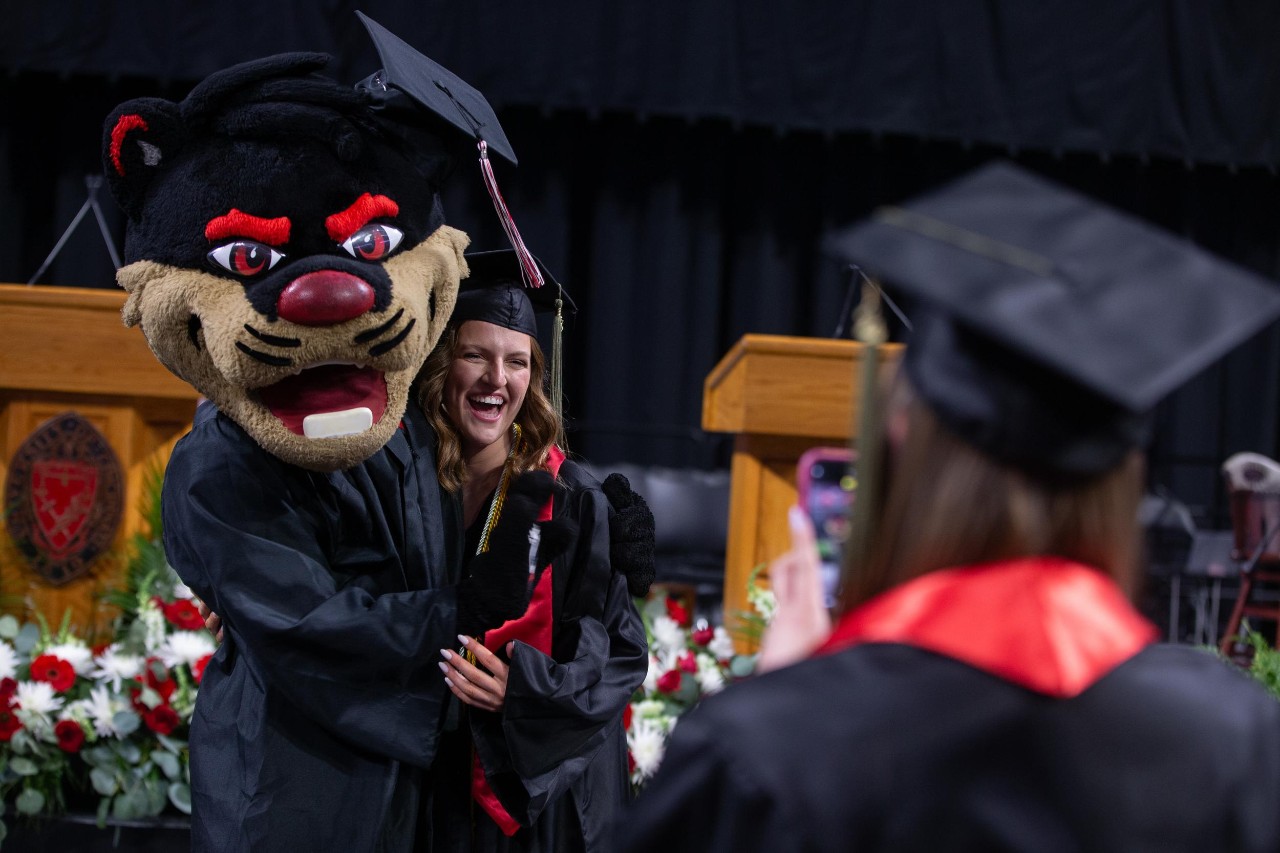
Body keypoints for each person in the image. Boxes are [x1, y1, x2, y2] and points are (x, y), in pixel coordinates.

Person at [617, 161, 1280, 852]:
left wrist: (783, 702)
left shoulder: (771, 751)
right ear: (1122, 470)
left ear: (901, 437)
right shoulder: (1240, 746)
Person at [418, 249, 648, 852]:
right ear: (442, 365)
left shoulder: (573, 499)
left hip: (534, 791)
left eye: (517, 362)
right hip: (424, 774)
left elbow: (618, 655)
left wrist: (523, 690)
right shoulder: (407, 485)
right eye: (476, 355)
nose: (498, 379)